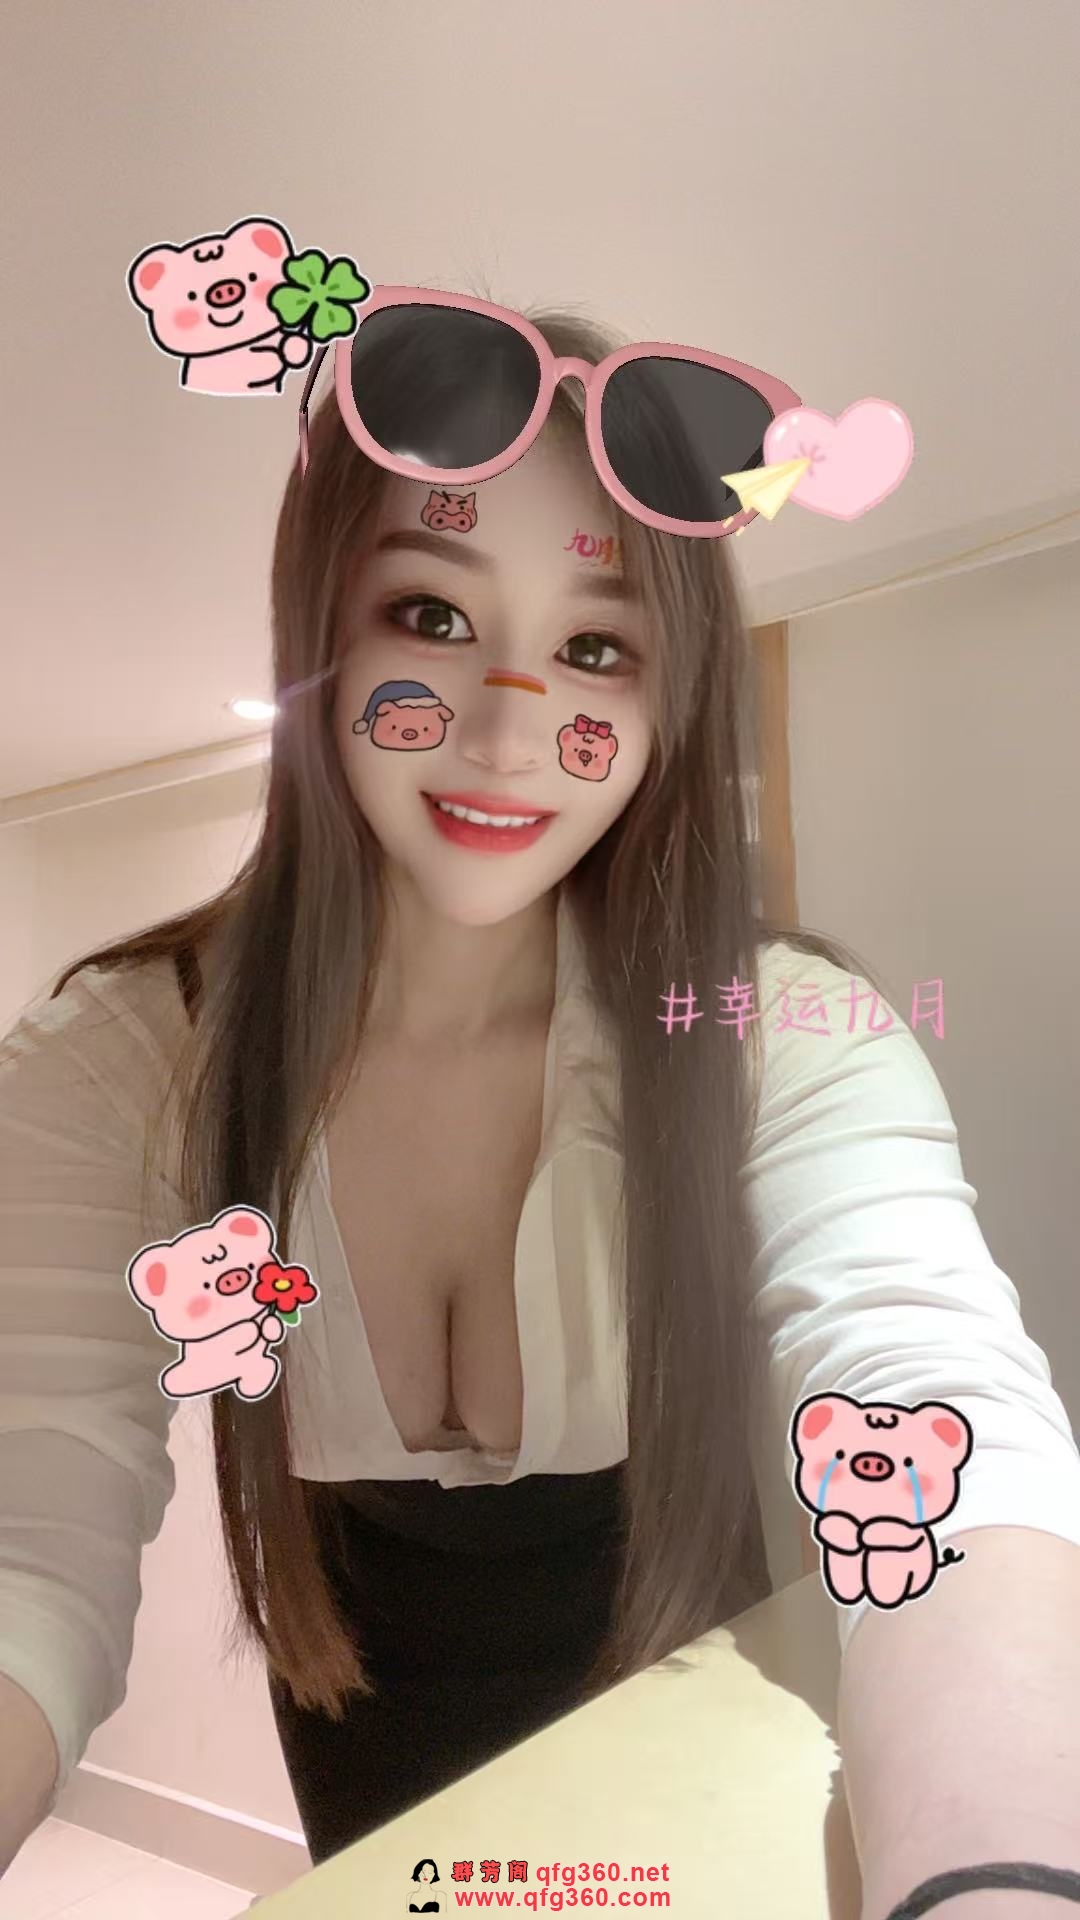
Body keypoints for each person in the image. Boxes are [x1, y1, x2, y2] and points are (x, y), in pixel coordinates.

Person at [2, 293, 1080, 1905]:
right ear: (320, 633)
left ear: (667, 695)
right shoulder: (126, 1063)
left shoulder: (779, 1036)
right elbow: (25, 1536)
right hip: (382, 1843)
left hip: (730, 1819)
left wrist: (1001, 1885)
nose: (511, 733)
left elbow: (945, 1424)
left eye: (594, 649)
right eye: (430, 614)